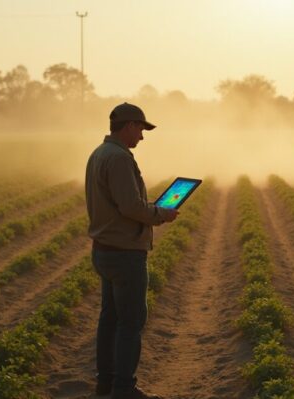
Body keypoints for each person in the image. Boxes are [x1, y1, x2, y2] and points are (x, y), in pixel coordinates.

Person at [85, 102, 178, 399]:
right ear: (127, 127)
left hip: (104, 249)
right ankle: (123, 389)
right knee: (131, 321)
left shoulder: (99, 154)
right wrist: (160, 214)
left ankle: (105, 383)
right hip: (125, 253)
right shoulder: (120, 159)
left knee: (110, 318)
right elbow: (130, 206)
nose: (142, 136)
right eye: (140, 129)